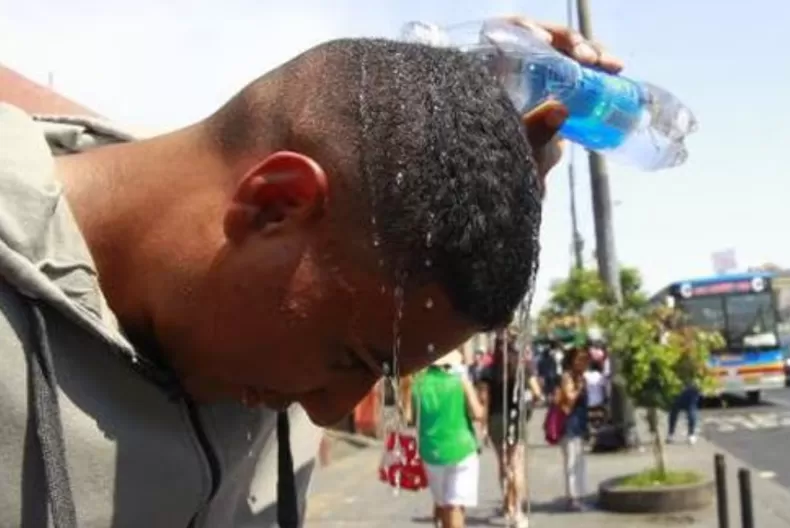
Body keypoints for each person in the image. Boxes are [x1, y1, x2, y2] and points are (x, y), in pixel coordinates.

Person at [0, 16, 623, 527]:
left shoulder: (283, 305)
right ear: (274, 203)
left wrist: (462, 115)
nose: (329, 412)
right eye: (350, 357)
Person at [406, 353, 484, 528]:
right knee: (455, 504)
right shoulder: (459, 381)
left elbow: (409, 417)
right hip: (462, 448)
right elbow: (478, 413)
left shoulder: (418, 384)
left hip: (431, 450)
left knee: (442, 502)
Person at [477, 335, 541, 528]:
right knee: (517, 465)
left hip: (496, 420)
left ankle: (508, 506)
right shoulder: (523, 368)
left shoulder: (488, 371)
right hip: (515, 419)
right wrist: (529, 406)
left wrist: (484, 426)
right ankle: (519, 513)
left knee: (503, 465)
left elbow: (484, 401)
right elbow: (537, 393)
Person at [556, 346, 590, 511]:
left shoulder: (580, 377)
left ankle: (579, 495)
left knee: (579, 461)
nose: (583, 363)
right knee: (571, 462)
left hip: (579, 424)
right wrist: (579, 389)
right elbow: (568, 400)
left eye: (585, 359)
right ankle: (572, 498)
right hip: (569, 425)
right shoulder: (567, 377)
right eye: (580, 359)